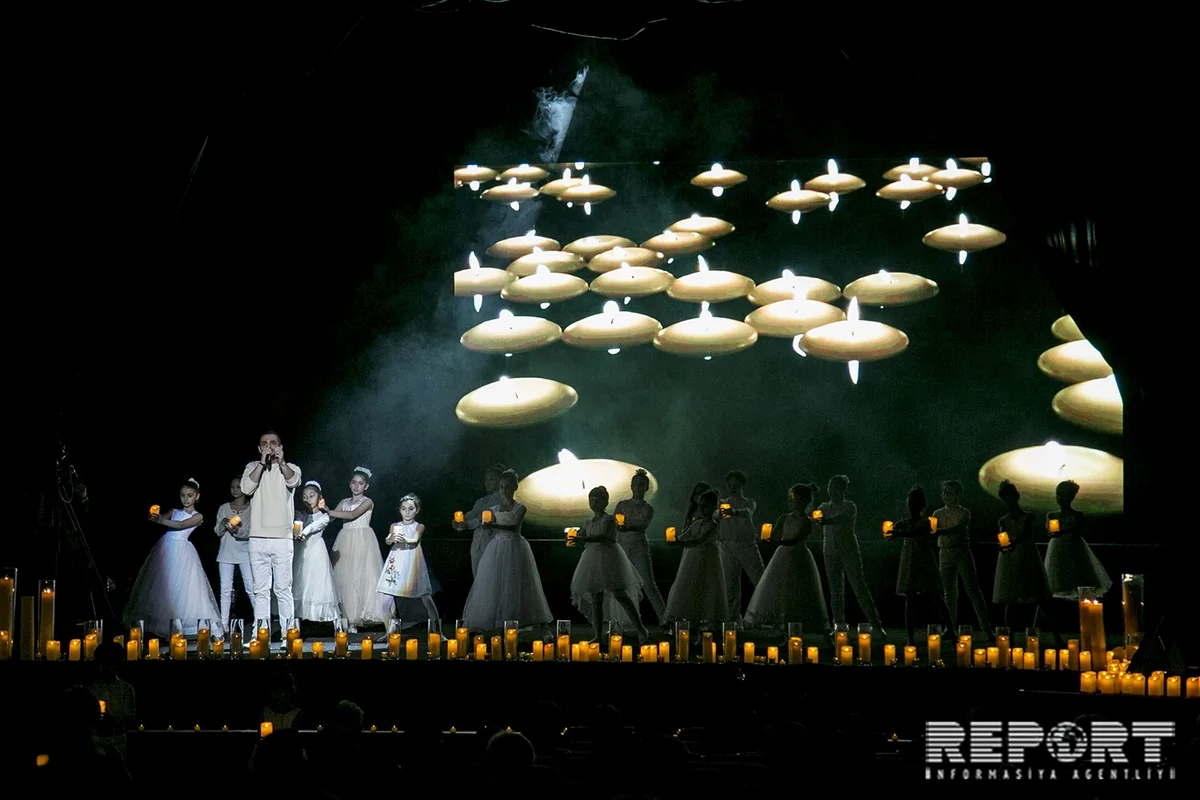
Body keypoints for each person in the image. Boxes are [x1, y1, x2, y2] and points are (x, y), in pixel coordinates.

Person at [123, 478, 220, 637]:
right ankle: (161, 623)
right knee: (164, 583)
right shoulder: (174, 511)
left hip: (182, 550)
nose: (185, 499)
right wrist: (155, 516)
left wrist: (161, 520)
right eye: (183, 495)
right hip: (166, 547)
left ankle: (186, 624)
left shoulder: (198, 516)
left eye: (189, 495)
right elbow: (160, 518)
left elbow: (181, 525)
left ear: (197, 496)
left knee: (182, 585)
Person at [461, 469, 553, 632]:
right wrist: (466, 524)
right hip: (497, 547)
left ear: (514, 487)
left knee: (518, 584)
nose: (503, 490)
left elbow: (513, 526)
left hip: (515, 547)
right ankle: (494, 624)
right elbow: (479, 521)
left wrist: (493, 525)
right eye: (501, 487)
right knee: (493, 583)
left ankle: (535, 626)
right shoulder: (494, 509)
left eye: (507, 486)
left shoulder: (520, 508)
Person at [241, 431, 302, 641]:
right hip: (257, 538)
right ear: (259, 448)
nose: (269, 447)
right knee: (260, 590)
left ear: (280, 446)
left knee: (283, 589)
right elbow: (246, 488)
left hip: (282, 538)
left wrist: (281, 462)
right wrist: (261, 463)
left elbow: (294, 482)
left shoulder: (291, 467)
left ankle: (288, 634)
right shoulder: (252, 467)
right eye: (264, 444)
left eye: (273, 443)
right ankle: (261, 634)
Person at [743, 483, 829, 632]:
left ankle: (796, 624)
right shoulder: (784, 518)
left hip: (799, 557)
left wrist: (776, 542)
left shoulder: (807, 522)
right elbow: (776, 533)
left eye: (793, 499)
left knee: (797, 588)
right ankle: (778, 622)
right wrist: (767, 536)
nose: (790, 501)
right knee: (779, 587)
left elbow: (795, 540)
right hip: (782, 555)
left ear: (803, 501)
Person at [569, 486, 649, 642]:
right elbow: (582, 534)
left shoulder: (609, 519)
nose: (594, 503)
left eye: (597, 500)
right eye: (591, 500)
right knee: (596, 598)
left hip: (609, 558)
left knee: (620, 594)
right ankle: (597, 635)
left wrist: (582, 538)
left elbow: (602, 536)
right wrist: (573, 537)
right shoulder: (588, 522)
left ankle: (641, 630)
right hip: (592, 560)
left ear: (605, 502)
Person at [816, 475, 887, 636]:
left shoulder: (849, 506)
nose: (833, 490)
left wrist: (825, 521)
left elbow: (840, 518)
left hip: (849, 551)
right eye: (831, 487)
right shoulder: (824, 507)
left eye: (837, 487)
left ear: (843, 490)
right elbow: (815, 519)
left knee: (859, 586)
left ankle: (876, 624)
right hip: (829, 551)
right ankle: (838, 624)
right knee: (835, 590)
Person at [994, 481, 1063, 645]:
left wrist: (1010, 543)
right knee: (1011, 601)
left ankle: (1057, 637)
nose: (1009, 501)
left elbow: (1023, 534)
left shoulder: (1028, 516)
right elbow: (1002, 537)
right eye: (1005, 498)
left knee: (1040, 597)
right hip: (1011, 560)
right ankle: (1009, 639)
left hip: (1027, 558)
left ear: (1017, 496)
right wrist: (1003, 546)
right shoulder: (1003, 520)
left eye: (1010, 497)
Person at [328, 467, 388, 632]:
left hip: (362, 540)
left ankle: (356, 618)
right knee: (345, 578)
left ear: (366, 486)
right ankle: (345, 619)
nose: (356, 486)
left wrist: (330, 511)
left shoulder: (367, 502)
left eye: (360, 483)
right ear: (350, 484)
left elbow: (352, 515)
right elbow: (331, 518)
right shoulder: (344, 502)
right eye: (354, 482)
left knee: (360, 576)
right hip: (345, 539)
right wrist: (320, 511)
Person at [892, 487, 954, 645]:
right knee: (910, 599)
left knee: (936, 596)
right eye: (910, 503)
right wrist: (892, 531)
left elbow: (916, 533)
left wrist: (898, 533)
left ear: (920, 505)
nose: (911, 506)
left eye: (914, 503)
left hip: (924, 562)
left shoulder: (926, 523)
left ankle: (952, 633)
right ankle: (911, 638)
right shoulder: (905, 523)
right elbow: (901, 529)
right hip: (910, 561)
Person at [932, 480, 993, 637]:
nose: (946, 496)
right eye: (944, 492)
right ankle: (949, 628)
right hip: (944, 552)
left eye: (950, 493)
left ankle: (986, 628)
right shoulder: (937, 513)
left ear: (958, 495)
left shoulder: (964, 513)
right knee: (949, 593)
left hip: (962, 552)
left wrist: (940, 531)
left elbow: (958, 528)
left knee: (973, 590)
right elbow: (932, 529)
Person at [664, 489, 728, 625]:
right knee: (690, 585)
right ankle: (689, 620)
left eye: (705, 506)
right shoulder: (696, 524)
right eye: (700, 506)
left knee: (706, 587)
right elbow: (685, 535)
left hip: (708, 559)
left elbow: (700, 540)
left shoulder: (713, 525)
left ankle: (707, 621)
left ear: (713, 507)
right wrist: (674, 540)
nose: (702, 509)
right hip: (692, 559)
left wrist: (681, 543)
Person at [613, 469, 667, 626]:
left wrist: (626, 526)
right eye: (635, 484)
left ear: (646, 487)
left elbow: (642, 524)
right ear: (631, 486)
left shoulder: (648, 508)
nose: (637, 487)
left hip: (638, 548)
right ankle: (620, 622)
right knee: (620, 585)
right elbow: (614, 522)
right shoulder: (622, 505)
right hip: (621, 547)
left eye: (641, 484)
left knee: (649, 585)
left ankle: (665, 620)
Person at [377, 493, 442, 622]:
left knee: (426, 598)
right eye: (403, 508)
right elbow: (388, 540)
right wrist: (390, 538)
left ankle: (436, 629)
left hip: (413, 562)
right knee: (386, 600)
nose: (407, 512)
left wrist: (404, 538)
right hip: (397, 562)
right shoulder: (395, 525)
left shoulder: (419, 526)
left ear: (417, 510)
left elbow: (415, 540)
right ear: (400, 510)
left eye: (411, 509)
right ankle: (390, 630)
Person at [1044, 480, 1112, 600]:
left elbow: (1078, 530)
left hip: (1074, 547)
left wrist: (1062, 532)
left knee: (1077, 575)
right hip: (1057, 548)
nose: (1059, 498)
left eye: (1063, 495)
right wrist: (1053, 532)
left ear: (1071, 497)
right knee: (1059, 576)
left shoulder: (1078, 515)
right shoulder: (1052, 515)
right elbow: (1050, 531)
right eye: (1058, 495)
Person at [717, 470, 765, 621]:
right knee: (730, 587)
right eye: (730, 485)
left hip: (747, 546)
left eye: (736, 485)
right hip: (727, 547)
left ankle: (764, 615)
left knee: (760, 581)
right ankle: (732, 620)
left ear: (742, 486)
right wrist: (719, 513)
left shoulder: (749, 502)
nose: (733, 488)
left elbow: (748, 512)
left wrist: (734, 512)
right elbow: (714, 514)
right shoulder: (721, 503)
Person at [292, 481, 340, 623]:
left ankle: (328, 620)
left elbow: (313, 526)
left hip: (316, 552)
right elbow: (297, 526)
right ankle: (296, 621)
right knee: (300, 582)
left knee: (317, 583)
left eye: (312, 496)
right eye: (305, 496)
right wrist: (296, 533)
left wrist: (303, 533)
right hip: (301, 551)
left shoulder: (324, 517)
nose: (308, 499)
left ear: (319, 497)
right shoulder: (299, 515)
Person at [214, 475, 253, 630]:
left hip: (245, 552)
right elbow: (217, 531)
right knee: (225, 589)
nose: (235, 490)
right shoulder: (224, 508)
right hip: (226, 552)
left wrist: (237, 531)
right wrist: (223, 523)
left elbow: (251, 531)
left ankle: (261, 622)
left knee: (251, 588)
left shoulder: (252, 508)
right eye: (232, 487)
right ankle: (224, 625)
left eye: (238, 487)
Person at [453, 464, 506, 576]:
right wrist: (459, 520)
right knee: (478, 577)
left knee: (491, 576)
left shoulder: (503, 500)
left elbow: (483, 518)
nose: (487, 482)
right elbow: (472, 514)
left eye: (491, 479)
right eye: (486, 479)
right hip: (477, 543)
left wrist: (468, 525)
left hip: (493, 542)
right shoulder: (482, 501)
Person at [88, 642, 136, 759]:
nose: (106, 668)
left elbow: (130, 717)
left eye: (109, 664)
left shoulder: (125, 689)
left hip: (117, 739)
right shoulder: (92, 689)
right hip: (96, 740)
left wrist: (114, 720)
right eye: (103, 664)